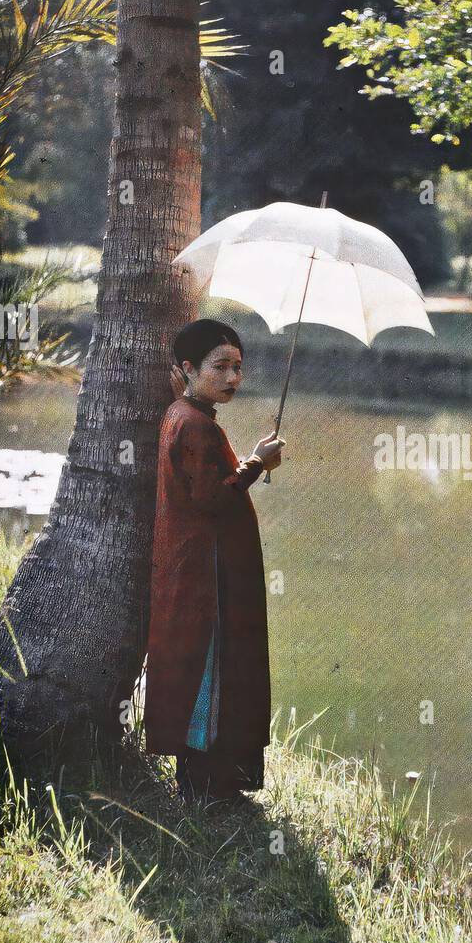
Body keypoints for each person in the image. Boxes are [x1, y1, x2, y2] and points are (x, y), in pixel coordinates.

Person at [144, 319, 284, 804]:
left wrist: (251, 463)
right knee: (215, 666)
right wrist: (255, 464)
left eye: (238, 368)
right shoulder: (195, 424)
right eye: (220, 367)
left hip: (205, 567)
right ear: (187, 368)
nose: (233, 379)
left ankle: (209, 779)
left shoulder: (185, 414)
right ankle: (207, 783)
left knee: (214, 667)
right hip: (208, 574)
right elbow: (210, 500)